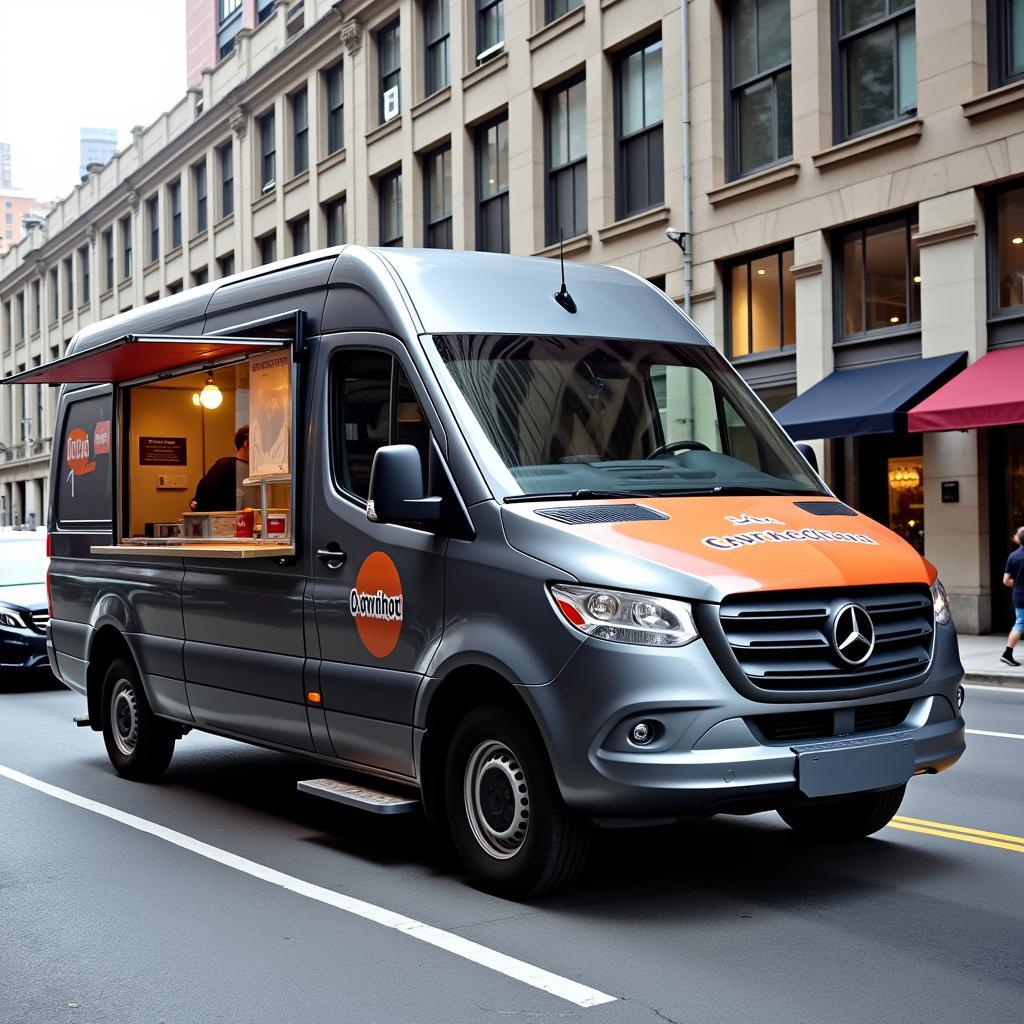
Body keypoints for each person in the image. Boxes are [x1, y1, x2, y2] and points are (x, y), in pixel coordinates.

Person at [189, 425, 249, 512]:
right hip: (226, 522)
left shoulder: (254, 471)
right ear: (246, 443)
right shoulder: (225, 467)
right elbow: (205, 499)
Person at [1001, 526, 1024, 667]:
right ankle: (1007, 654)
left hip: (1019, 595)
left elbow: (1006, 580)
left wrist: (1018, 584)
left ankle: (1008, 653)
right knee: (1020, 624)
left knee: (1020, 622)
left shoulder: (1013, 556)